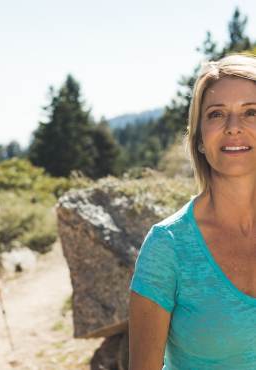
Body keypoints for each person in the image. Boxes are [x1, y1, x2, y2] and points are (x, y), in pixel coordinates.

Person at [129, 53, 256, 369]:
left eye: (251, 112)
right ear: (199, 138)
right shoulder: (167, 246)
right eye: (216, 114)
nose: (233, 127)